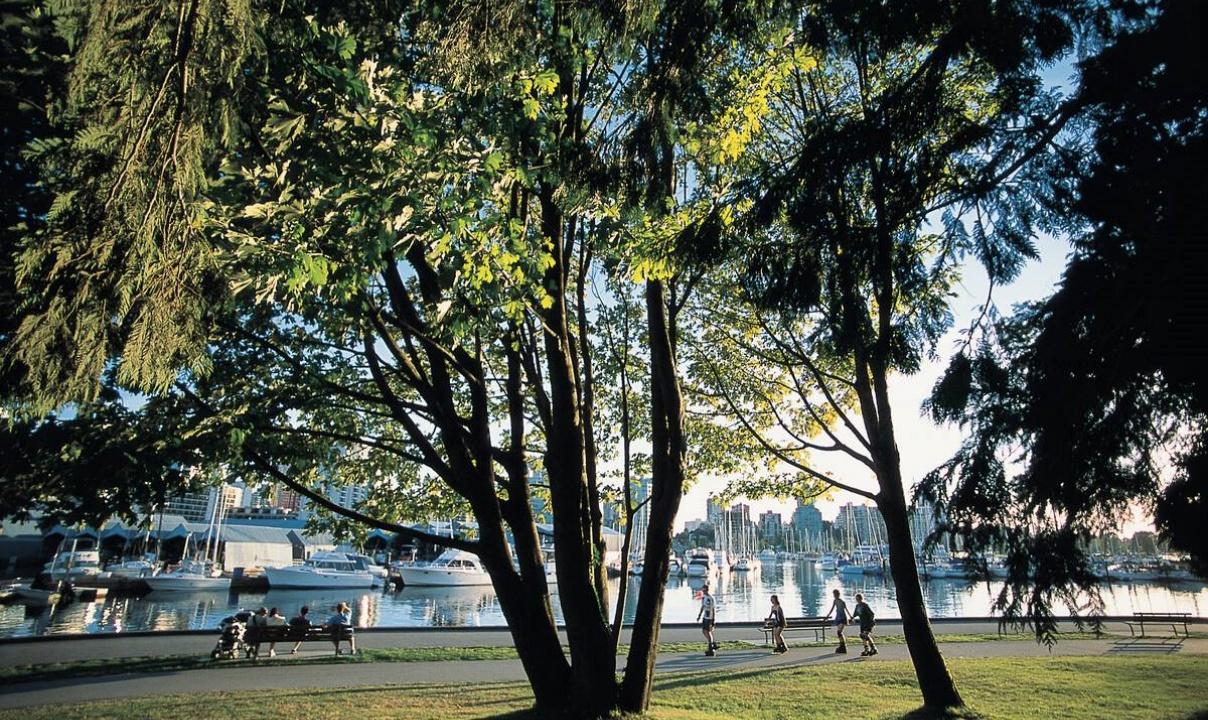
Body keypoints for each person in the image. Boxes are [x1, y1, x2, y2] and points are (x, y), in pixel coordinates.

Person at [697, 582, 719, 656]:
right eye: (702, 590)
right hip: (705, 617)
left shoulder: (710, 598)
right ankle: (713, 643)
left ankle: (711, 647)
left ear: (707, 590)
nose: (703, 592)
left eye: (704, 590)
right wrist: (699, 615)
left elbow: (713, 609)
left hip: (709, 617)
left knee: (708, 631)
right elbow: (702, 607)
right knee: (704, 631)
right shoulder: (704, 598)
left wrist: (713, 620)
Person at [826, 588, 849, 654]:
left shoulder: (842, 602)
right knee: (839, 633)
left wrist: (850, 617)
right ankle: (842, 646)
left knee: (839, 632)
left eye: (835, 594)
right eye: (834, 594)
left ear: (838, 594)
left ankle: (843, 646)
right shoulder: (835, 601)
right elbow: (832, 609)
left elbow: (846, 610)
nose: (834, 595)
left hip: (842, 618)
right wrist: (827, 616)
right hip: (838, 618)